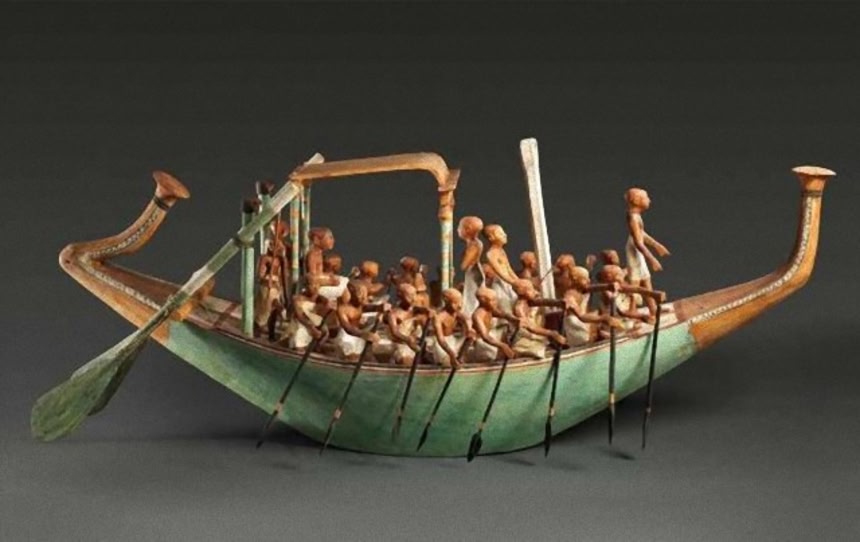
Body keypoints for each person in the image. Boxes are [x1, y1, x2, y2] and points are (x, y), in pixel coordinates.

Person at [625, 187, 670, 322]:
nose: (649, 200)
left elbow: (642, 234)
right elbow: (638, 243)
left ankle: (653, 309)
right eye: (646, 197)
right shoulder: (633, 217)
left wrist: (657, 245)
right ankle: (631, 312)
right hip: (635, 250)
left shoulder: (636, 216)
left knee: (646, 278)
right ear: (637, 201)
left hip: (638, 249)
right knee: (635, 282)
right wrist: (652, 259)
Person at [561, 266, 623, 346]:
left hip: (583, 322)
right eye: (585, 279)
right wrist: (604, 318)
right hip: (575, 325)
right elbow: (582, 316)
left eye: (588, 278)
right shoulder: (570, 296)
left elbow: (595, 287)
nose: (589, 281)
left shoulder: (581, 289)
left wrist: (609, 286)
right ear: (575, 279)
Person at [509, 279, 567, 358]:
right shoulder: (519, 308)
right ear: (521, 292)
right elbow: (531, 327)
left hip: (538, 337)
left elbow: (544, 302)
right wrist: (552, 334)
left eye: (532, 288)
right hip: (525, 339)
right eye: (529, 289)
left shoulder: (533, 299)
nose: (533, 291)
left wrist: (560, 303)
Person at [334, 280, 387, 362]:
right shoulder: (342, 309)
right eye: (360, 294)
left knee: (371, 356)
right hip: (347, 338)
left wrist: (381, 307)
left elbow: (373, 307)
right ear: (352, 294)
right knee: (353, 357)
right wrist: (363, 334)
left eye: (365, 294)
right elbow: (347, 328)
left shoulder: (361, 306)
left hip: (358, 336)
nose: (363, 297)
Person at [382, 283, 430, 367]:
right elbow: (395, 332)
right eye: (410, 295)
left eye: (414, 295)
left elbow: (424, 311)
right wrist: (407, 340)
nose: (413, 299)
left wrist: (428, 311)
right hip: (400, 345)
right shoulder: (393, 314)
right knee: (406, 361)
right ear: (400, 296)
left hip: (415, 345)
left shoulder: (415, 310)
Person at [468, 287, 518, 363]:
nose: (496, 302)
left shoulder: (490, 309)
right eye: (493, 300)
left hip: (490, 337)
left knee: (508, 331)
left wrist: (514, 319)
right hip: (480, 342)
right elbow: (485, 337)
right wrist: (502, 346)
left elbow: (503, 314)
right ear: (483, 301)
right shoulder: (477, 315)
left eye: (496, 299)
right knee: (493, 353)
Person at [429, 288, 476, 368]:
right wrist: (451, 355)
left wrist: (469, 328)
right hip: (441, 344)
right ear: (446, 302)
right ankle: (451, 360)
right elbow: (441, 340)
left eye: (460, 302)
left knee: (472, 335)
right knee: (447, 362)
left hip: (453, 340)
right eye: (456, 303)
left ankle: (460, 358)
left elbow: (466, 319)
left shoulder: (456, 313)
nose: (459, 306)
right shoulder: (439, 318)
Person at [284, 281, 334, 350]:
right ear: (306, 286)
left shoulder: (322, 300)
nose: (315, 287)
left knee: (324, 333)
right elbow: (299, 316)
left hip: (316, 328)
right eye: (312, 285)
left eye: (317, 285)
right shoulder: (297, 298)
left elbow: (324, 315)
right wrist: (311, 328)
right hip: (300, 326)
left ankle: (316, 347)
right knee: (299, 337)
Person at [483, 224, 519, 314]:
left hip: (509, 283)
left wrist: (518, 281)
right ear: (491, 237)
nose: (505, 235)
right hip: (500, 284)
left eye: (503, 233)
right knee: (505, 307)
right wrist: (513, 282)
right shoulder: (490, 254)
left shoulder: (502, 251)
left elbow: (509, 269)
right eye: (500, 233)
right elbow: (499, 272)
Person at [305, 227, 347, 300]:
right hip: (315, 284)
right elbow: (313, 276)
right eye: (330, 238)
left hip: (320, 280)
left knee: (342, 281)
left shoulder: (319, 253)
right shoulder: (312, 255)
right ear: (317, 240)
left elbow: (320, 272)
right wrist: (328, 280)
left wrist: (328, 276)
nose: (333, 240)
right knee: (339, 285)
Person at [457, 216, 485, 317]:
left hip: (473, 272)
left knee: (472, 297)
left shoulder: (474, 245)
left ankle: (471, 316)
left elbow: (464, 265)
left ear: (468, 229)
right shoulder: (472, 244)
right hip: (472, 271)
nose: (457, 230)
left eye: (460, 227)